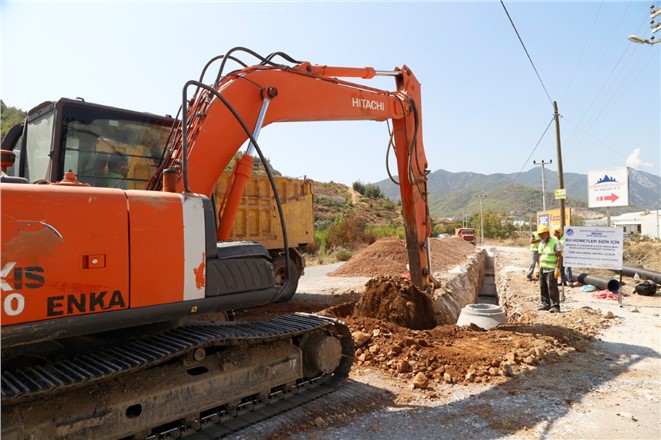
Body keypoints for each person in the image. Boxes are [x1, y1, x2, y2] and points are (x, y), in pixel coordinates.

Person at [536, 225, 562, 313]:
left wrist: (557, 269)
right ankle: (545, 304)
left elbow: (559, 256)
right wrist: (538, 268)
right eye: (539, 235)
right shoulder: (541, 243)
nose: (541, 236)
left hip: (551, 269)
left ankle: (555, 306)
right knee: (543, 287)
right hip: (543, 269)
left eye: (542, 234)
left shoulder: (555, 242)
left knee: (552, 288)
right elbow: (539, 256)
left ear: (547, 233)